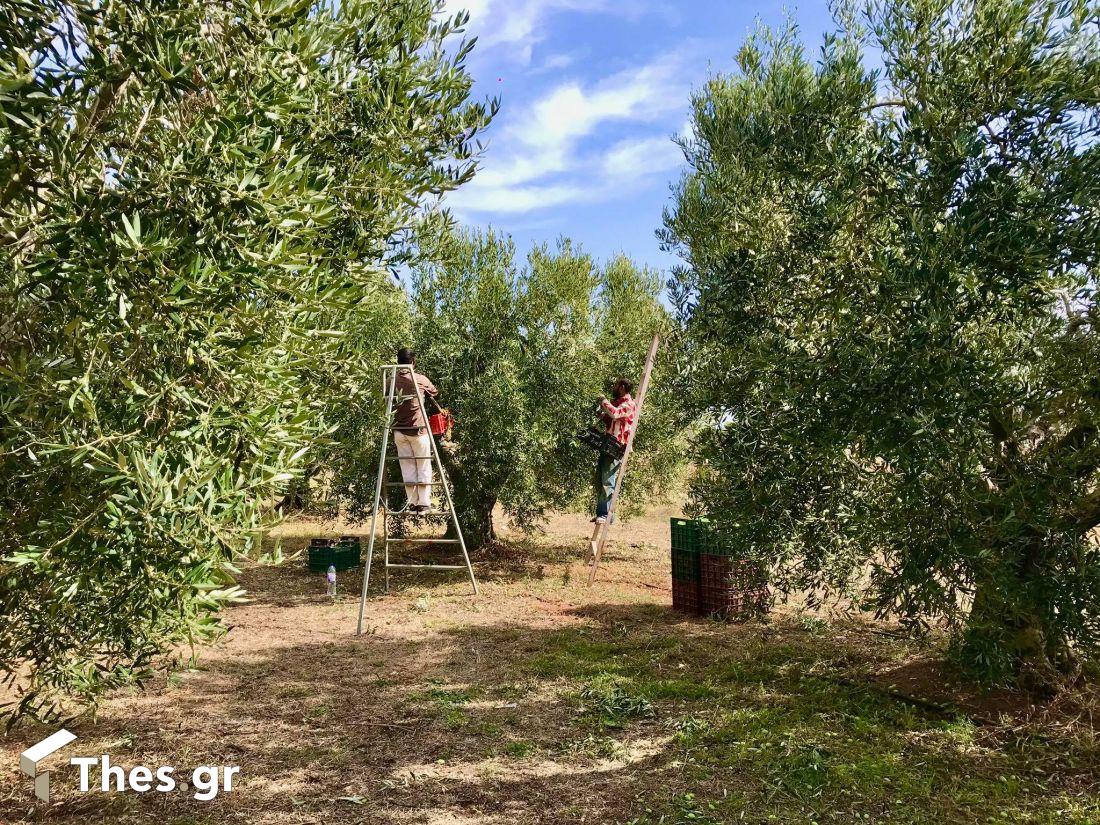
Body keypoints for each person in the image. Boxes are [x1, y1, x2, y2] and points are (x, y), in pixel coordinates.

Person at [392, 347, 439, 513]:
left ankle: (412, 502)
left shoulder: (390, 380)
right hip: (418, 430)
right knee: (423, 464)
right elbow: (434, 391)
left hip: (399, 430)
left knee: (407, 467)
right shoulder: (419, 379)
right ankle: (424, 503)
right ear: (413, 362)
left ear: (398, 361)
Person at [593, 377, 637, 524]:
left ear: (622, 387)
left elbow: (616, 414)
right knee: (600, 479)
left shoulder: (629, 404)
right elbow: (610, 419)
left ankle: (605, 515)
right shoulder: (618, 403)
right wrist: (601, 413)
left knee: (608, 479)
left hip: (617, 445)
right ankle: (603, 513)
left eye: (616, 385)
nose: (614, 387)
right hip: (608, 443)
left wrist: (604, 401)